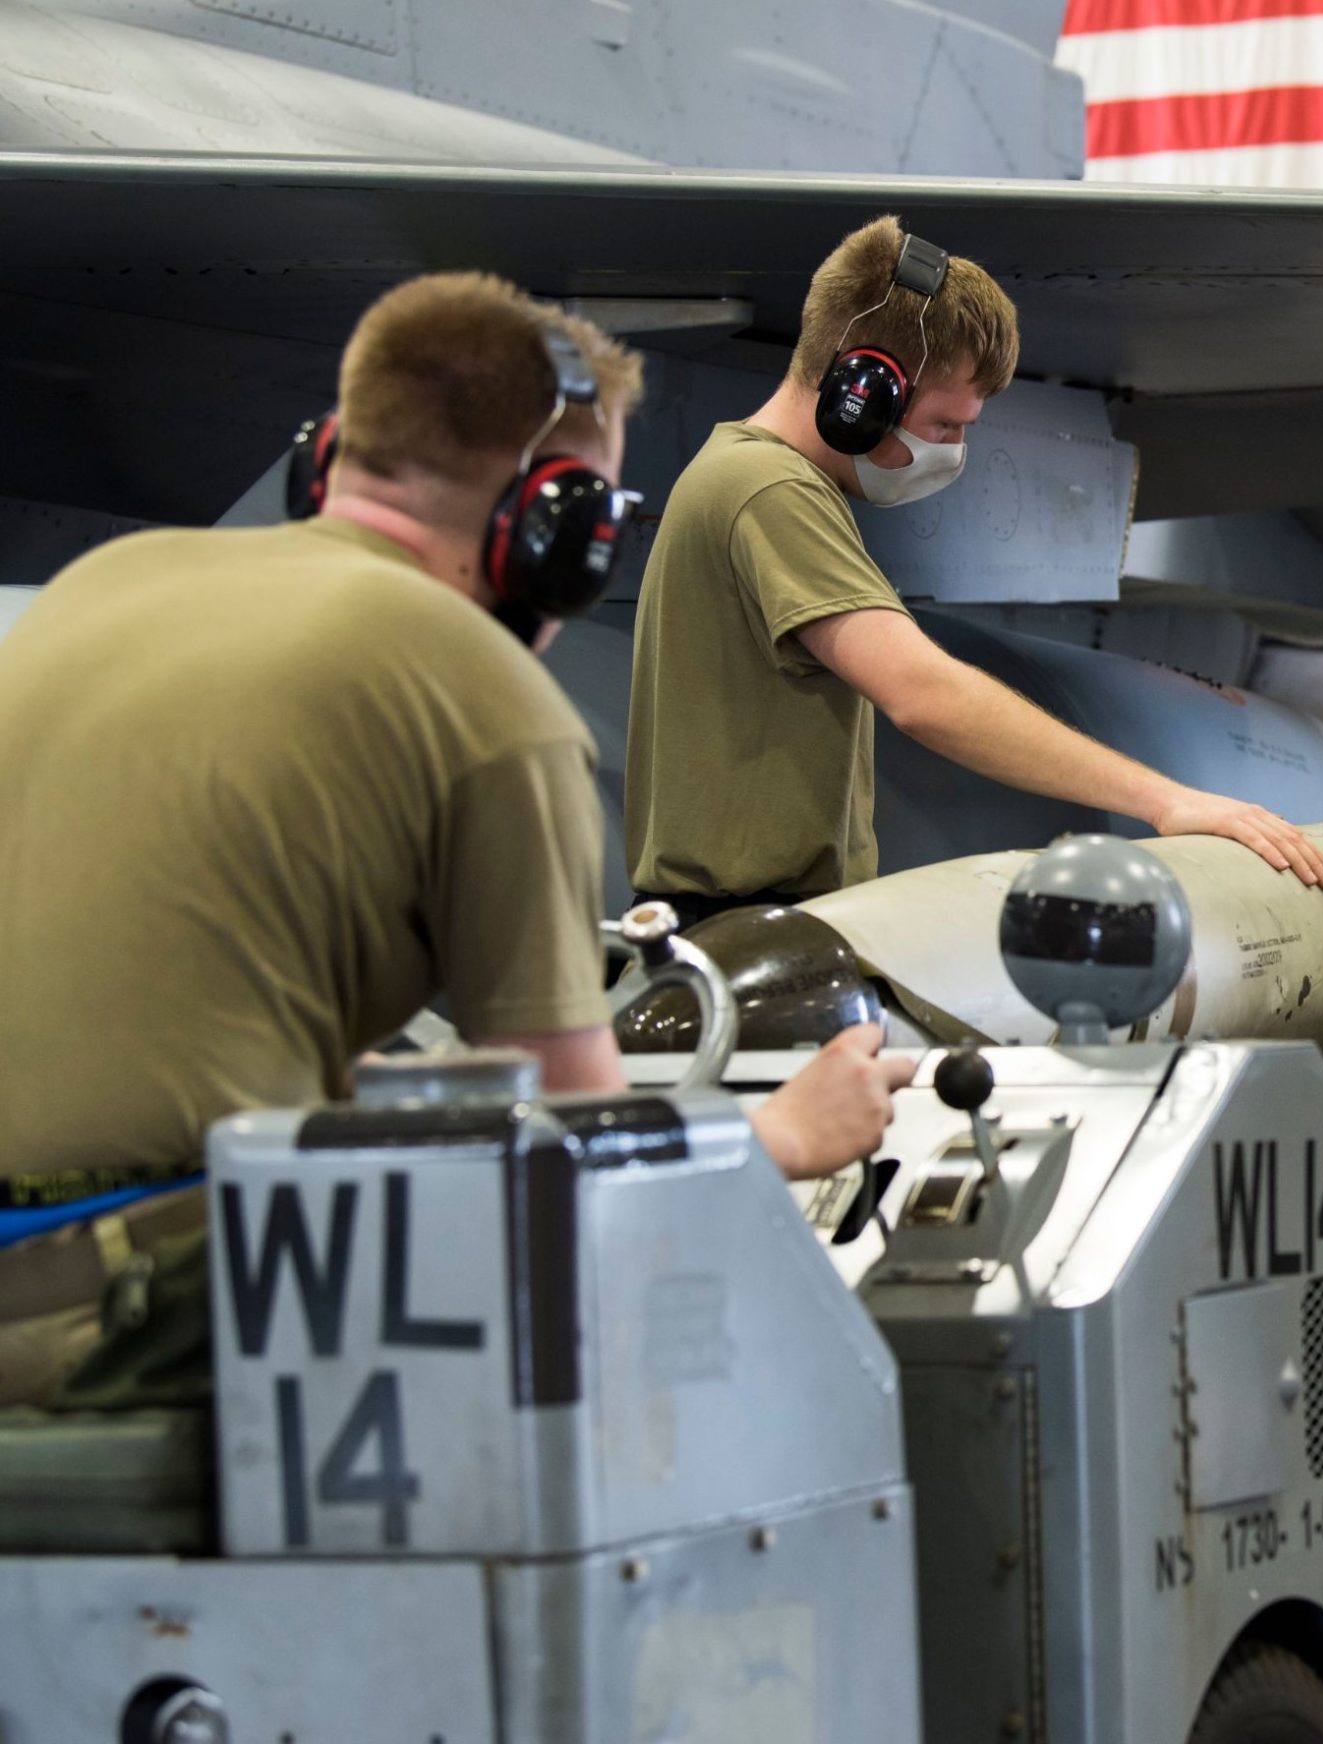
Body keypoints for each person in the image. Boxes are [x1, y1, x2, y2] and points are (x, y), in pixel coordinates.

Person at [0, 273, 910, 1416]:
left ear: (326, 455)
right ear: (557, 527)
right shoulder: (482, 693)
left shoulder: (102, 585)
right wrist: (779, 1134)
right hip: (131, 1323)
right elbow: (574, 1147)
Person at [624, 214, 1323, 927]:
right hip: (741, 926)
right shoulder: (770, 490)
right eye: (944, 425)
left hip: (751, 921)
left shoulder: (746, 475)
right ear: (861, 391)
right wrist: (1168, 800)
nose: (954, 452)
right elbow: (924, 695)